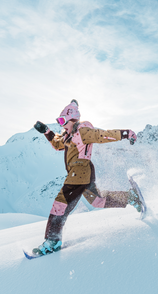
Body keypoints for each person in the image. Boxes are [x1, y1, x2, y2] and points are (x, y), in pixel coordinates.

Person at [32, 99, 142, 255]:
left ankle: (52, 241)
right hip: (82, 173)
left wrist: (126, 133)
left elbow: (103, 135)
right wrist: (46, 131)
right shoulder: (68, 135)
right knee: (98, 201)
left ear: (73, 119)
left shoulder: (82, 131)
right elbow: (57, 144)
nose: (61, 125)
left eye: (63, 121)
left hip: (79, 173)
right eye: (59, 121)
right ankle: (130, 197)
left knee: (60, 205)